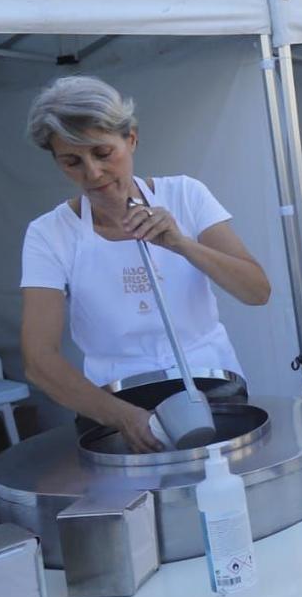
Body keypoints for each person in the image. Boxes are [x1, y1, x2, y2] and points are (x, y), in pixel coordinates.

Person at [19, 76, 271, 452]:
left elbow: (257, 291)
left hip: (212, 386)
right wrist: (122, 416)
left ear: (131, 139)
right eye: (72, 162)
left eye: (103, 153)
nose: (92, 173)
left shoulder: (186, 195)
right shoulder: (49, 233)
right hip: (115, 400)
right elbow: (39, 360)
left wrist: (182, 244)